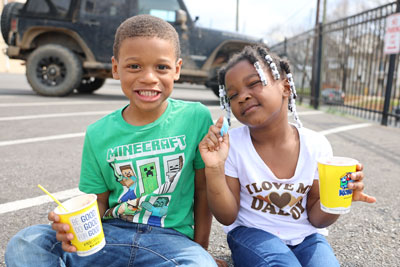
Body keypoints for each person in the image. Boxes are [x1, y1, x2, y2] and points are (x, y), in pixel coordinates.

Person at [5, 14, 220, 266]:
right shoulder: (98, 133)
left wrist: (201, 249)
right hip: (108, 237)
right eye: (134, 66)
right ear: (116, 68)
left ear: (177, 69)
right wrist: (72, 226)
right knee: (26, 242)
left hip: (170, 242)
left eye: (161, 67)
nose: (149, 77)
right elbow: (99, 201)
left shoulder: (195, 117)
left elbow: (203, 189)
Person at [199, 44, 376, 267]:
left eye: (253, 83)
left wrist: (337, 201)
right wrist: (214, 169)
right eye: (232, 95)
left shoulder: (316, 145)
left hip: (307, 238)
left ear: (285, 87)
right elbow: (227, 216)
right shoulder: (233, 145)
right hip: (251, 234)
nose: (242, 96)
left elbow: (317, 219)